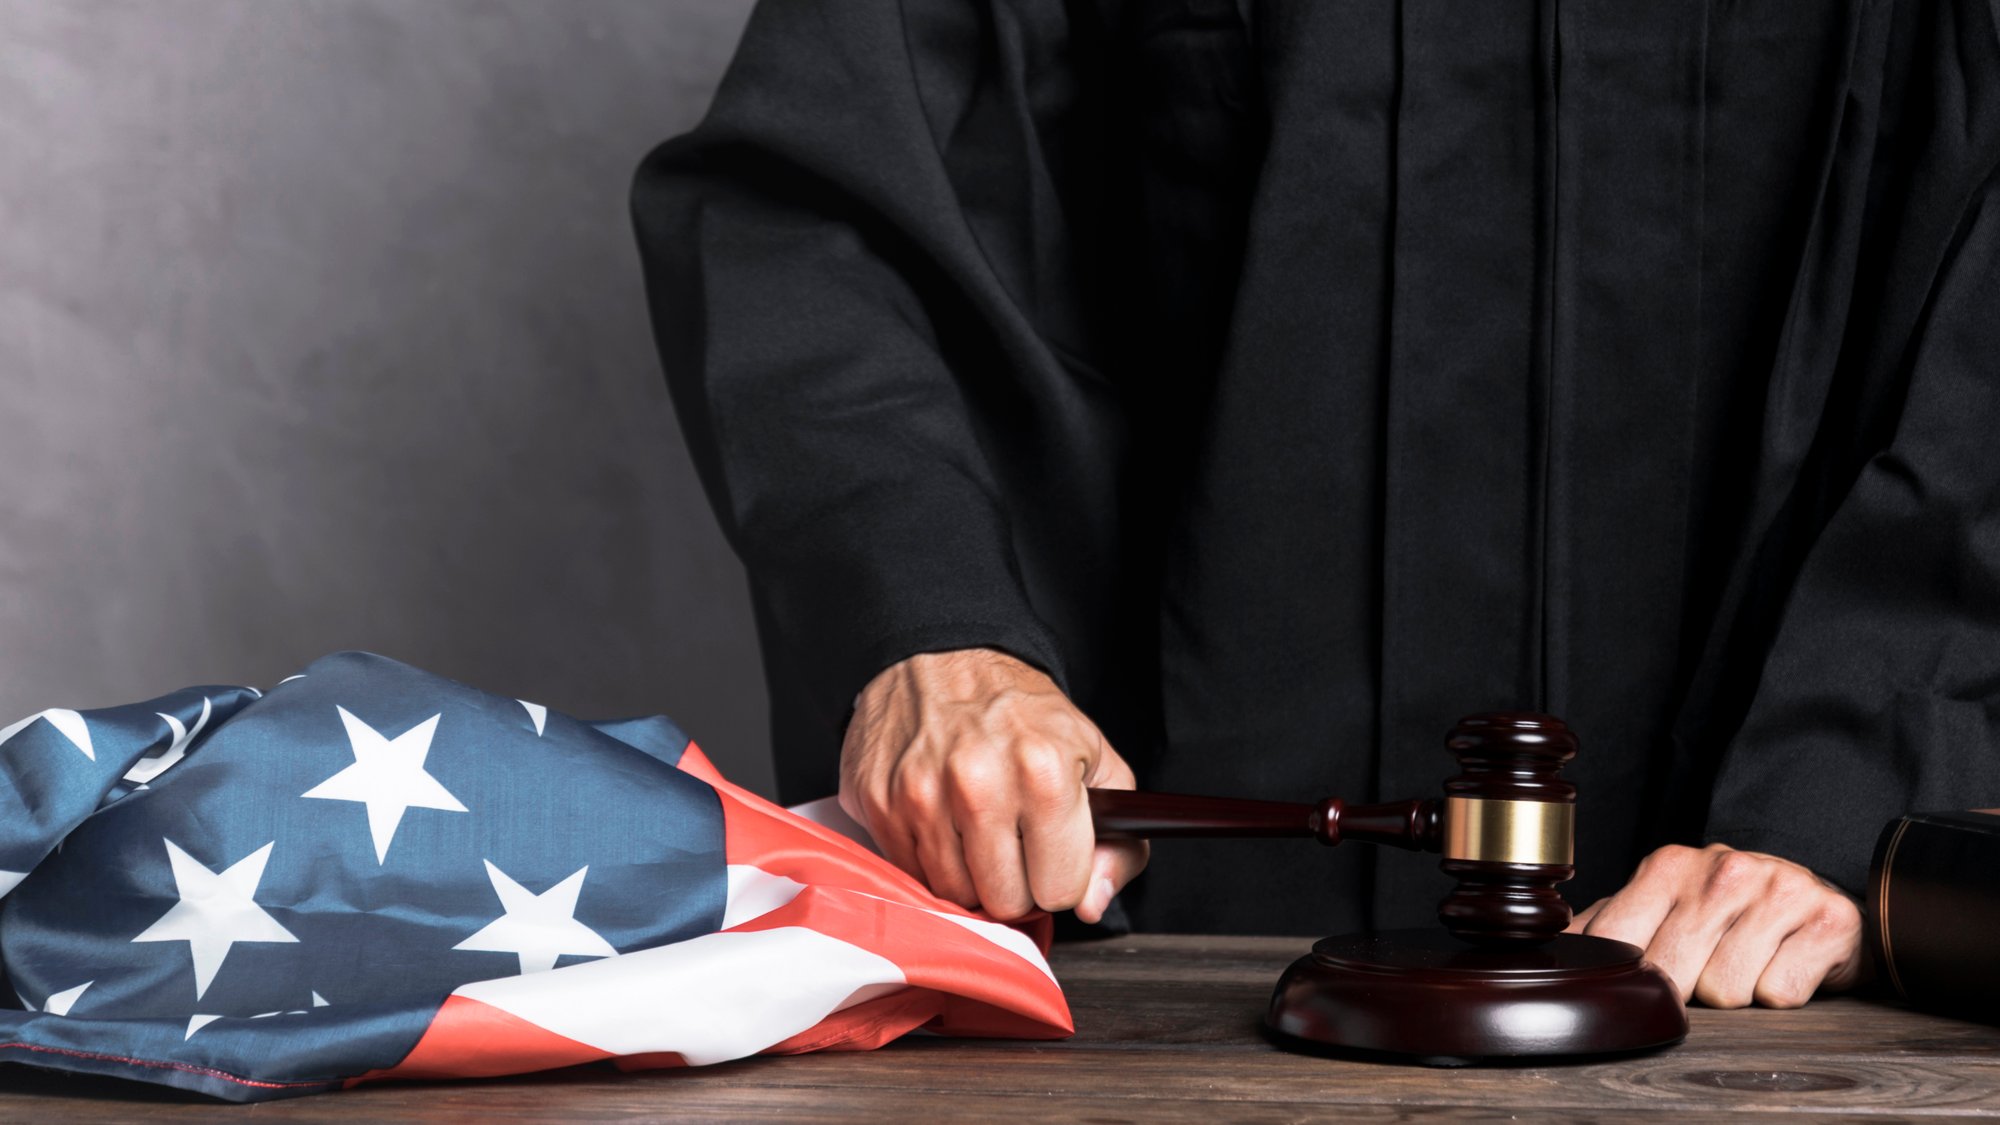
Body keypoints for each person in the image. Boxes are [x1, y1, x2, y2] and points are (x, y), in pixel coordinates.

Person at [632, 0, 2000, 1009]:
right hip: (1132, 984)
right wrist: (928, 621)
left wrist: (1861, 810)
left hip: (1768, 994)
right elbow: (818, 198)